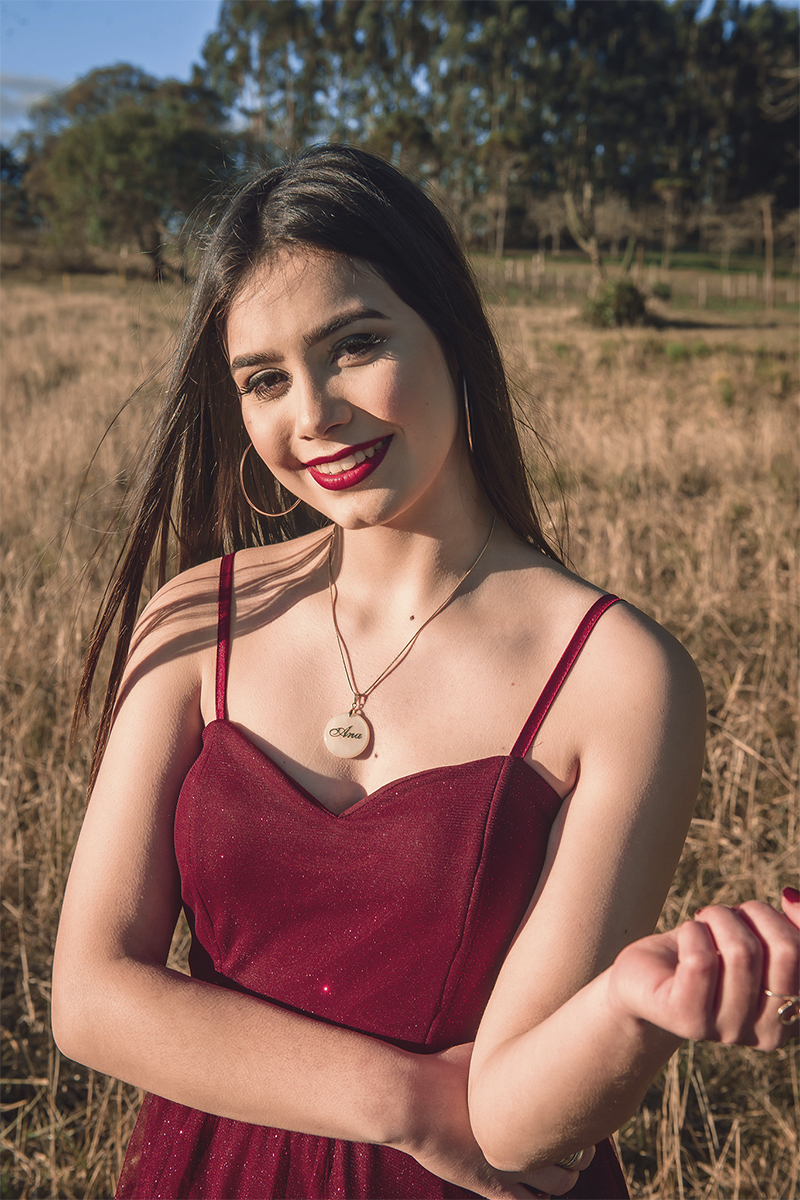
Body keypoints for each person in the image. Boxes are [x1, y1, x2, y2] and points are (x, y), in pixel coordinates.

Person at [52, 145, 799, 1200]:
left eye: (353, 346)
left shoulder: (619, 675)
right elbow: (89, 998)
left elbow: (512, 1128)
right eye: (264, 379)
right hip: (213, 1171)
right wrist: (403, 1104)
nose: (310, 415)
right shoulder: (200, 617)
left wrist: (631, 1008)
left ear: (450, 332)